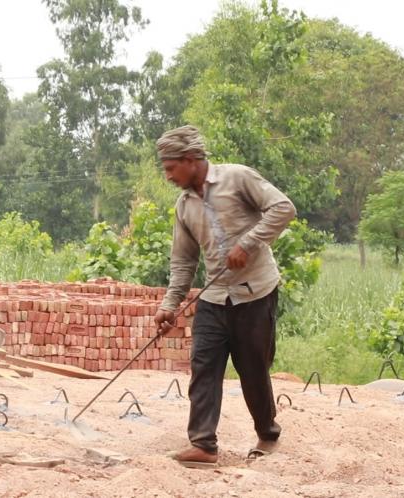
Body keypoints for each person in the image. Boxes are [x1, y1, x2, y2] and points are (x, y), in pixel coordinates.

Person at [152, 125, 296, 468]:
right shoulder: (184, 206)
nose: (169, 176)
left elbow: (283, 208)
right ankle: (203, 444)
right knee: (203, 366)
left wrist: (248, 243)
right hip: (214, 297)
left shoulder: (237, 178)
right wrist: (169, 305)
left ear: (190, 160)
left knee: (253, 368)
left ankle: (267, 434)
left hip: (255, 292)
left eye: (171, 168)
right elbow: (184, 262)